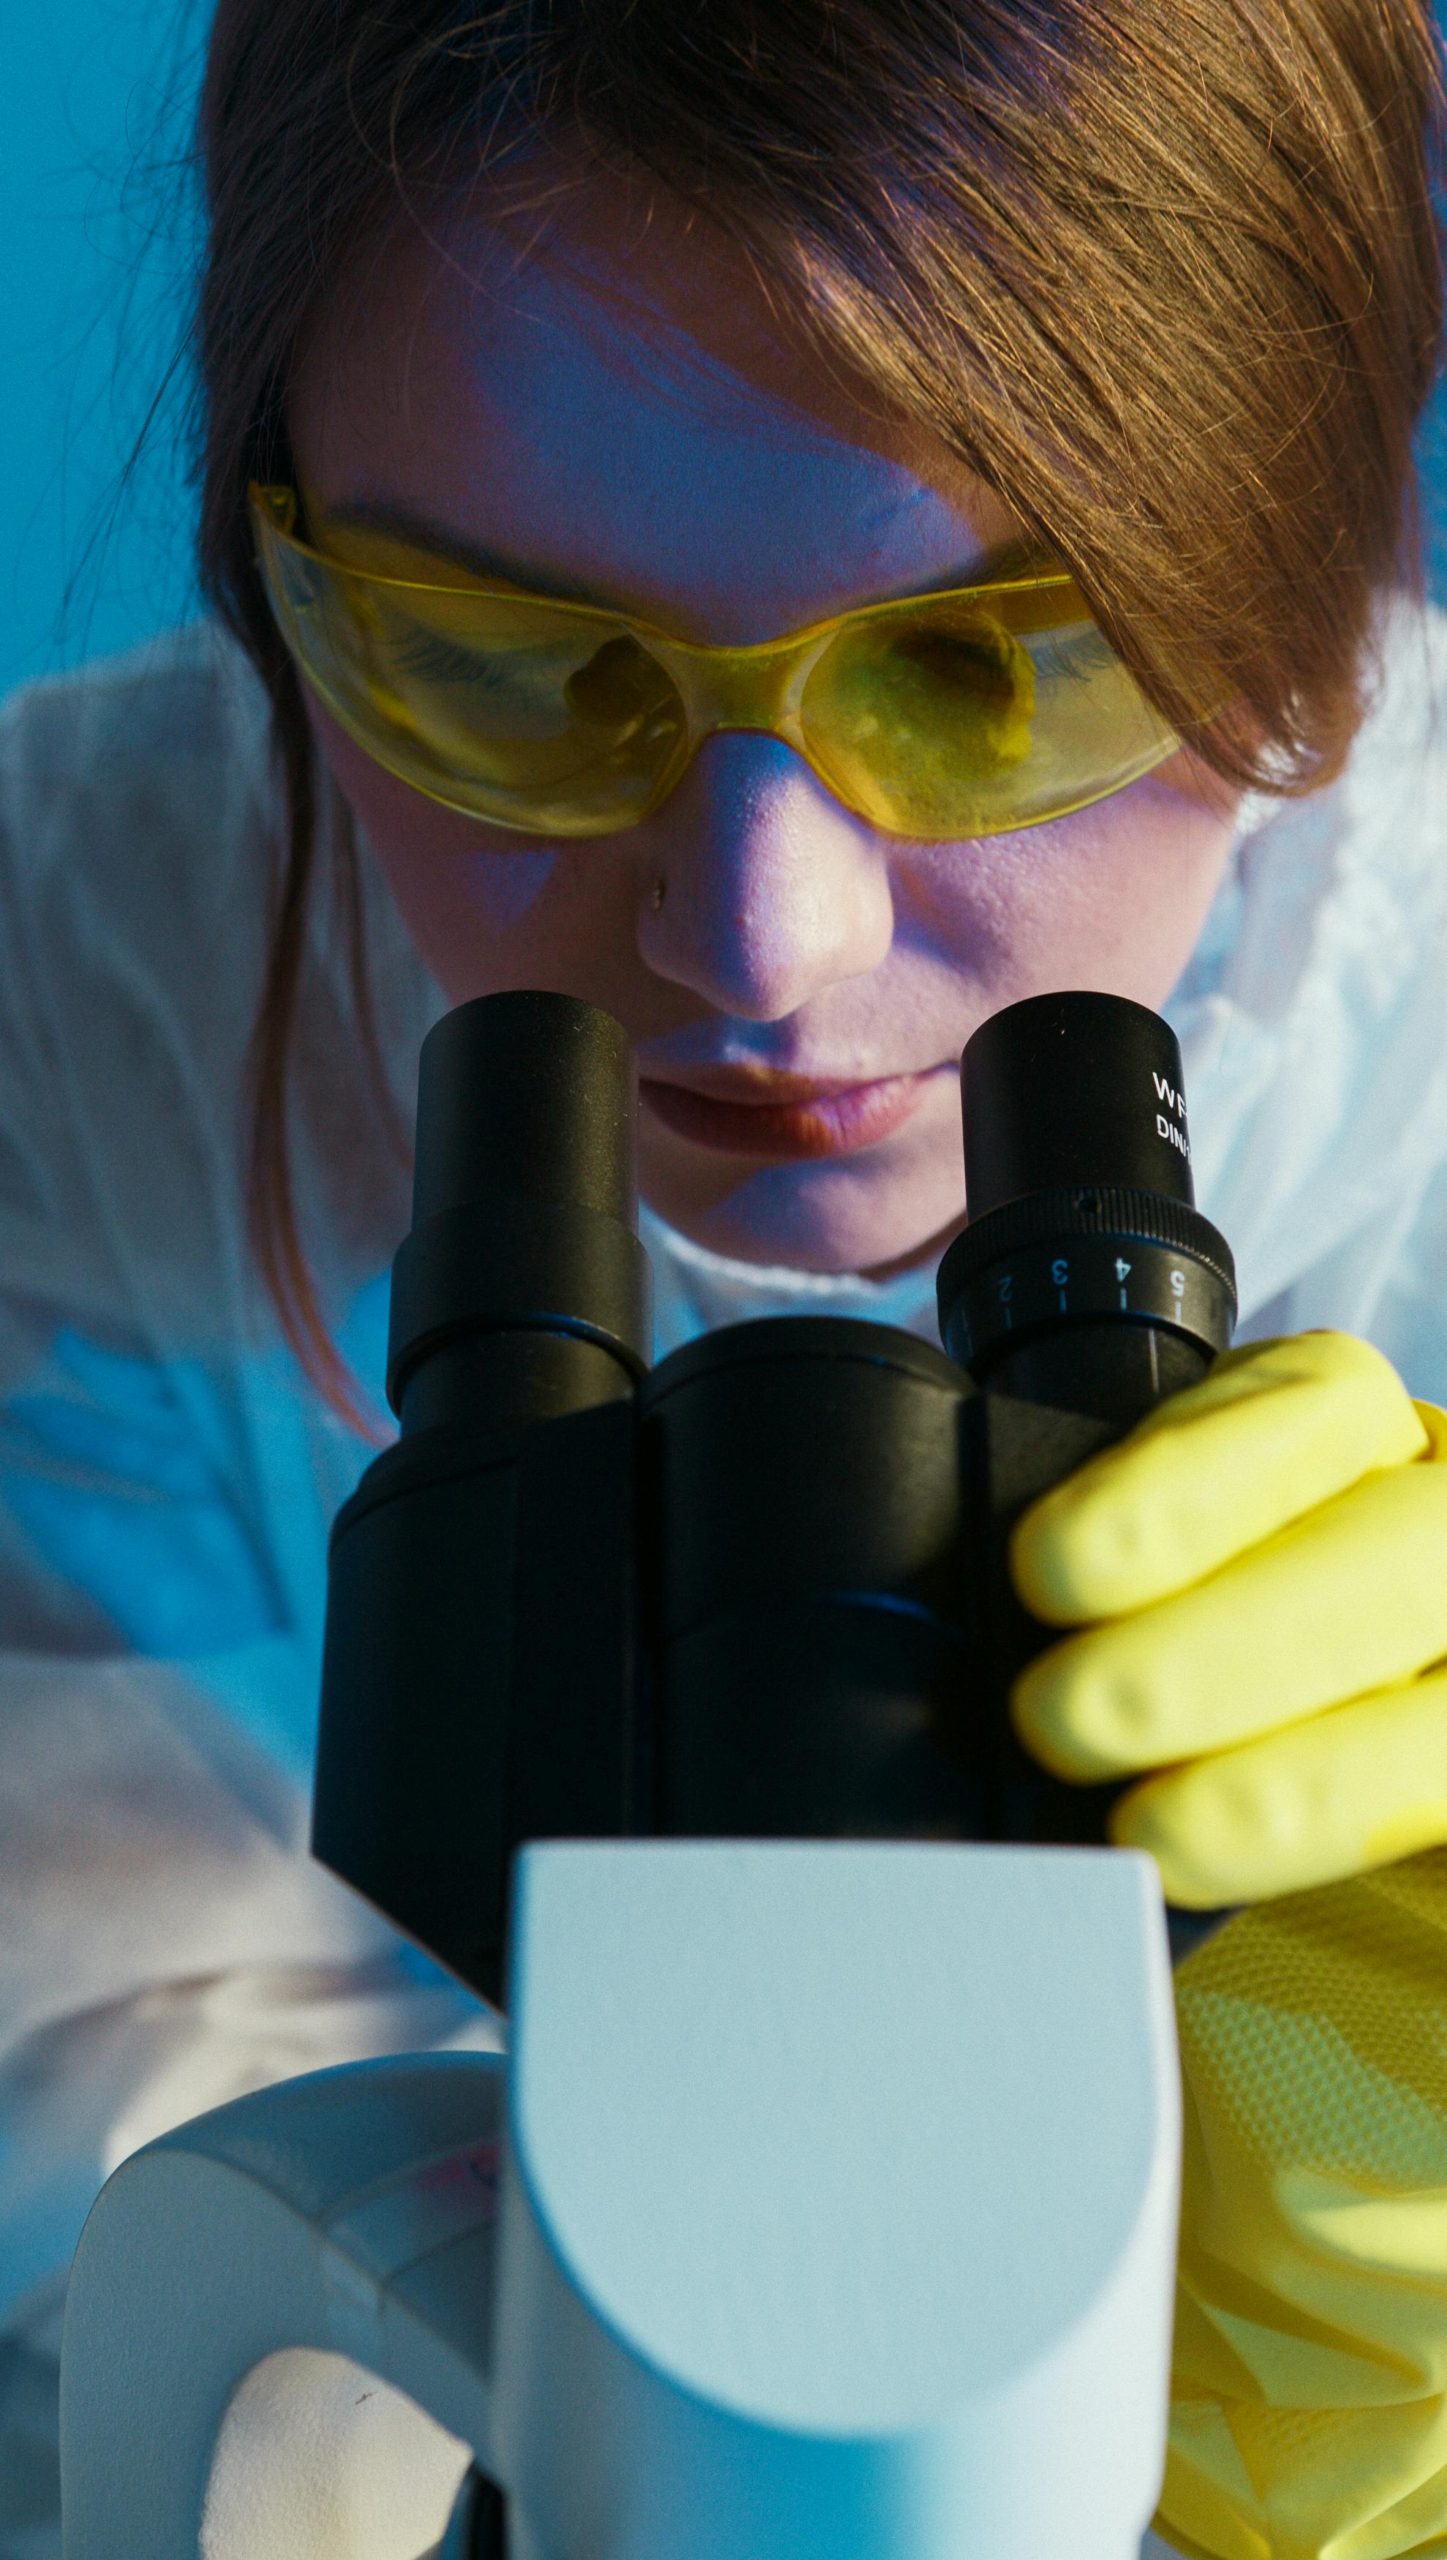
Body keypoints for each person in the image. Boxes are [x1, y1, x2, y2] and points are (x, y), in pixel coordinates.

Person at [4, 0, 1447, 2550]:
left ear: (1315, 608)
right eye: (502, 668)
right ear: (269, 578)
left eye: (989, 670)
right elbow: (127, 2102)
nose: (761, 944)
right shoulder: (64, 972)